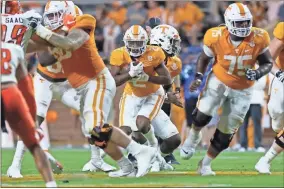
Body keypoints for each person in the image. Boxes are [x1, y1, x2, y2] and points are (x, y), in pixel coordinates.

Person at [33, 1, 157, 178]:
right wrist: (30, 34)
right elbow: (44, 60)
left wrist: (41, 32)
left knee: (94, 127)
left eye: (56, 15)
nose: (52, 20)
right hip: (81, 87)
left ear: (67, 12)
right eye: (50, 16)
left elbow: (70, 43)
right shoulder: (53, 33)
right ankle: (126, 166)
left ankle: (140, 151)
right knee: (95, 134)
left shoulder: (84, 20)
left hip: (96, 81)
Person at [182, 2, 273, 176]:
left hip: (244, 89)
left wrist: (258, 72)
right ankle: (193, 136)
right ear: (229, 22)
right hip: (219, 79)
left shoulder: (259, 37)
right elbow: (204, 58)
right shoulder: (215, 36)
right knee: (203, 114)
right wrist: (199, 77)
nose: (244, 26)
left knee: (226, 132)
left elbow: (267, 62)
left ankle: (206, 164)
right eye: (239, 23)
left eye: (246, 22)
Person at [110, 25, 173, 175]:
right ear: (126, 42)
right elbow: (114, 81)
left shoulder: (155, 53)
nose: (135, 46)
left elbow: (167, 79)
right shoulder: (119, 54)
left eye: (139, 43)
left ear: (146, 42)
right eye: (132, 43)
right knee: (124, 132)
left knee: (142, 124)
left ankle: (153, 147)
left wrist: (147, 77)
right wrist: (130, 74)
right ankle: (141, 159)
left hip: (152, 93)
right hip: (131, 94)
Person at [1, 0, 49, 178]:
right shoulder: (28, 17)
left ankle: (16, 165)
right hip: (15, 76)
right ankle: (15, 165)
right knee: (27, 122)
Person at [1, 42, 56, 187]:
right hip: (10, 92)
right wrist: (33, 120)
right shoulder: (15, 49)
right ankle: (51, 184)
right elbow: (26, 88)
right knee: (34, 144)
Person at [255, 22, 284, 174]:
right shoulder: (283, 29)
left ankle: (264, 161)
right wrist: (280, 74)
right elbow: (268, 58)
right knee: (277, 122)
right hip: (282, 79)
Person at [239, 75, 268, 152]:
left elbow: (262, 84)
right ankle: (243, 145)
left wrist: (249, 83)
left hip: (256, 100)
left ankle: (257, 145)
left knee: (257, 124)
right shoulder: (244, 68)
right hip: (244, 99)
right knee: (243, 124)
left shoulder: (261, 68)